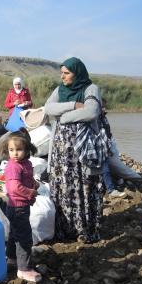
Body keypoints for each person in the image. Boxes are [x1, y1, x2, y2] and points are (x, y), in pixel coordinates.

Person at [45, 57, 106, 243]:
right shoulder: (60, 90)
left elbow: (91, 111)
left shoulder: (90, 88)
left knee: (85, 184)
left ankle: (85, 228)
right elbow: (48, 108)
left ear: (77, 73)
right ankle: (66, 228)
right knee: (64, 186)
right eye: (61, 73)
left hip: (83, 149)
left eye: (66, 73)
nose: (62, 77)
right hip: (61, 151)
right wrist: (72, 105)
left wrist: (63, 117)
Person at [1, 129, 41, 282]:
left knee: (14, 234)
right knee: (24, 237)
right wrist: (31, 192)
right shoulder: (13, 167)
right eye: (11, 150)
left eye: (19, 150)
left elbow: (26, 179)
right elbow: (14, 188)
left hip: (19, 207)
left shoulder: (26, 163)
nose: (15, 153)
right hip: (17, 207)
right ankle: (23, 269)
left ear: (27, 150)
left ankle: (12, 258)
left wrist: (33, 184)